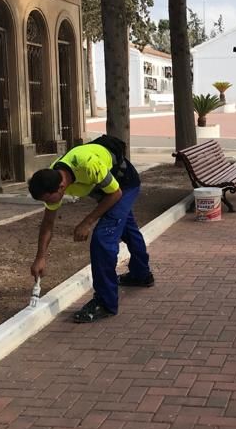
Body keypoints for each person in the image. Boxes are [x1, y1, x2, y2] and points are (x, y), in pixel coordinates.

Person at [27, 137, 154, 323]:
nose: (49, 203)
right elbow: (48, 223)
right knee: (127, 228)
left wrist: (87, 222)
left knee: (103, 237)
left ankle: (105, 303)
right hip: (106, 189)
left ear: (61, 187)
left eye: (49, 199)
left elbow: (115, 194)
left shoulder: (87, 165)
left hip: (124, 185)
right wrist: (40, 257)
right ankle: (141, 274)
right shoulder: (53, 176)